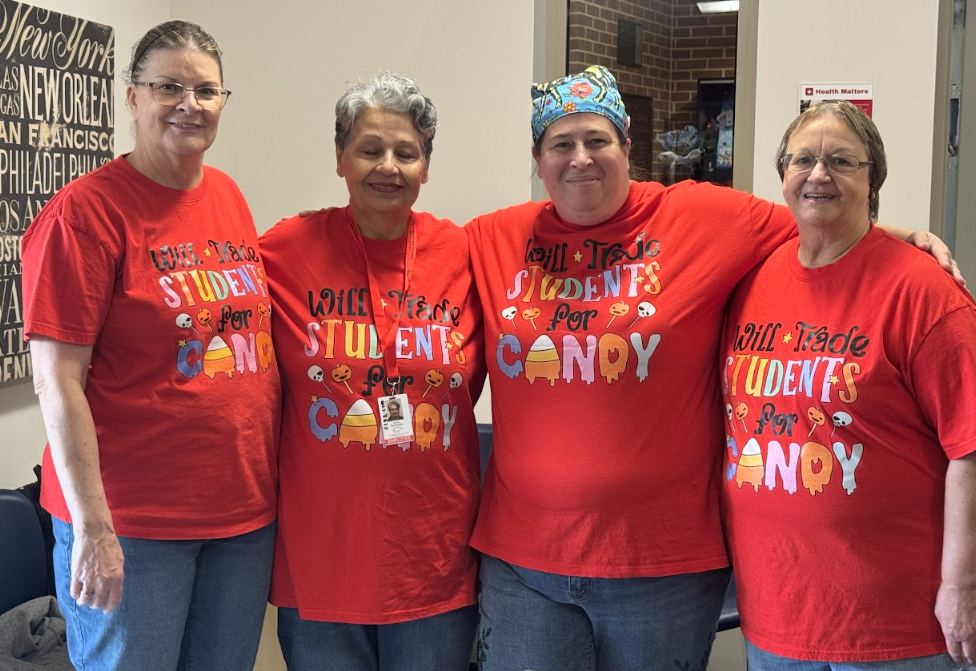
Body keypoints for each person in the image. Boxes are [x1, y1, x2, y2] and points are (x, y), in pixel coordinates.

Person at [464, 66, 961, 671]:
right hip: (523, 566)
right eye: (560, 144)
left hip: (664, 569)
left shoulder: (701, 217)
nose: (581, 159)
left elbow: (820, 214)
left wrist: (908, 237)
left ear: (627, 147)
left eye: (598, 140)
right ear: (538, 159)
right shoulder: (491, 239)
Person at [21, 21, 279, 671]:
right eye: (168, 86)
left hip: (239, 516)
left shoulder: (228, 196)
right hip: (134, 523)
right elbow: (57, 381)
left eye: (205, 90)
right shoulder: (84, 215)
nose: (188, 103)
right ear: (132, 98)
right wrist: (93, 526)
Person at [720, 100, 976, 670]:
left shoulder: (922, 292)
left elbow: (971, 449)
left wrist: (963, 589)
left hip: (893, 624)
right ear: (781, 174)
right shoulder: (749, 278)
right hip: (775, 615)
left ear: (872, 178)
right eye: (802, 159)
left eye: (842, 161)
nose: (818, 174)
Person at [261, 72, 485, 671]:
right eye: (369, 149)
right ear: (340, 157)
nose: (387, 166)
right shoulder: (284, 249)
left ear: (426, 166)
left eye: (406, 153)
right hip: (320, 557)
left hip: (432, 559)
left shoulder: (465, 253)